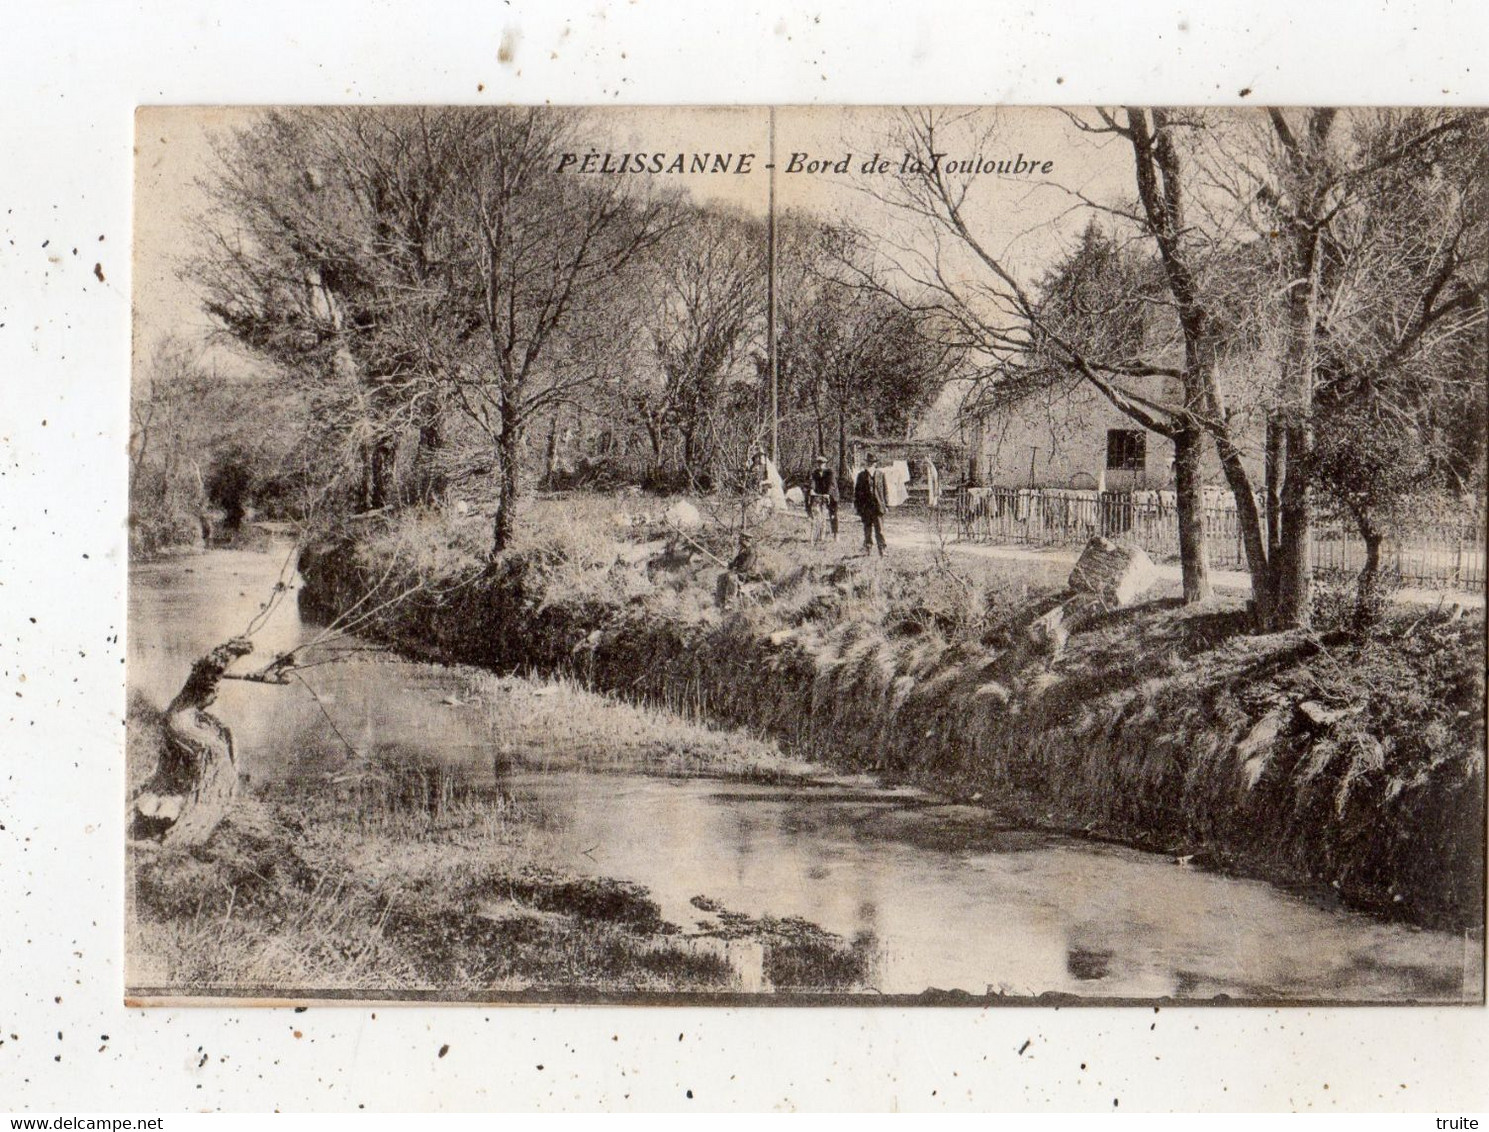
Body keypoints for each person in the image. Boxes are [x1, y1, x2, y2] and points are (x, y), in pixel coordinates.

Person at [853, 449, 889, 556]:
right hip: (866, 507)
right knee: (867, 529)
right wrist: (857, 507)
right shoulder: (861, 476)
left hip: (878, 506)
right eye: (869, 462)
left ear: (875, 463)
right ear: (866, 463)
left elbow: (885, 491)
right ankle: (867, 548)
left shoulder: (881, 475)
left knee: (880, 530)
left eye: (873, 462)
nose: (871, 464)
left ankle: (882, 549)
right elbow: (857, 493)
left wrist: (886, 505)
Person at [807, 454, 838, 541]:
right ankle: (820, 535)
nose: (820, 465)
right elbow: (812, 482)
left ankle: (835, 534)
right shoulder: (815, 473)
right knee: (819, 514)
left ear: (825, 464)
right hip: (821, 496)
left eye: (822, 463)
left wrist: (828, 494)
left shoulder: (830, 472)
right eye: (818, 463)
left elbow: (831, 484)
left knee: (833, 515)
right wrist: (812, 489)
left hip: (832, 495)